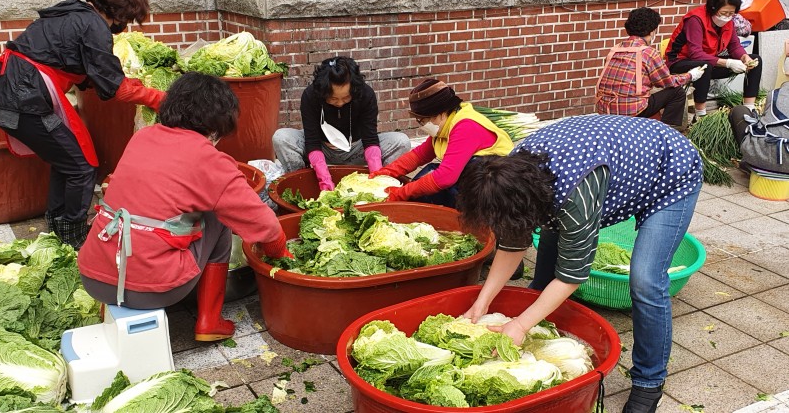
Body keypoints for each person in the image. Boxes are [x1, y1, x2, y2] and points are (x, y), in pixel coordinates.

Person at [455, 115, 702, 413]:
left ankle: (649, 382)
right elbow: (513, 242)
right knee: (550, 240)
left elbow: (572, 275)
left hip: (670, 168)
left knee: (646, 280)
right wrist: (482, 303)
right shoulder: (504, 177)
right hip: (611, 157)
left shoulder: (574, 196)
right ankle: (538, 319)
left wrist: (519, 324)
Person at [78, 73, 293, 342]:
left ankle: (109, 309)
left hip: (94, 278)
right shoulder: (210, 160)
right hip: (153, 290)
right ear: (218, 123)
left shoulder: (142, 138)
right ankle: (209, 322)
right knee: (217, 218)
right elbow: (265, 226)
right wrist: (278, 252)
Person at [0, 0, 166, 249]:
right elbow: (117, 88)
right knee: (81, 167)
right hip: (23, 98)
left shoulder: (72, 14)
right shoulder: (93, 26)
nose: (126, 25)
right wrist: (158, 98)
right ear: (118, 11)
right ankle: (74, 236)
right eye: (128, 18)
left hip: (10, 92)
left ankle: (58, 226)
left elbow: (66, 61)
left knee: (68, 161)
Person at [371, 78, 514, 208]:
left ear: (440, 113)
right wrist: (386, 173)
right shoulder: (444, 125)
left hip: (494, 185)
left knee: (435, 183)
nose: (422, 125)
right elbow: (419, 155)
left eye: (423, 120)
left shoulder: (465, 126)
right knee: (427, 177)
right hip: (473, 178)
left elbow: (445, 177)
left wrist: (401, 193)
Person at [272, 56, 411, 190]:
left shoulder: (365, 94)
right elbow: (312, 142)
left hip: (357, 149)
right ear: (323, 93)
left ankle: (383, 182)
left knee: (401, 141)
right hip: (322, 148)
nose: (339, 103)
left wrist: (376, 182)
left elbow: (370, 140)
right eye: (332, 99)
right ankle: (303, 183)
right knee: (282, 138)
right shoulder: (311, 95)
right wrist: (324, 179)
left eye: (346, 98)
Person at [596, 7, 705, 130]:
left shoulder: (615, 49)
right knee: (677, 92)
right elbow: (667, 82)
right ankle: (666, 132)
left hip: (605, 109)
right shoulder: (649, 52)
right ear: (653, 31)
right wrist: (690, 75)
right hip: (631, 111)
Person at [666, 0, 763, 122]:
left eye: (731, 13)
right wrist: (728, 63)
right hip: (680, 62)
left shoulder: (728, 22)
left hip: (709, 62)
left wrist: (744, 58)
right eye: (724, 13)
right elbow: (696, 54)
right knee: (704, 66)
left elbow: (734, 46)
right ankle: (700, 115)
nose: (727, 17)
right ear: (713, 8)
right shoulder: (696, 19)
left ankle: (749, 108)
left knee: (755, 60)